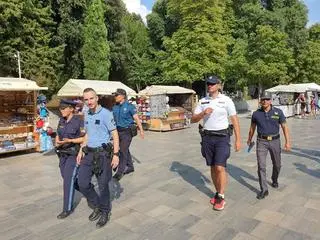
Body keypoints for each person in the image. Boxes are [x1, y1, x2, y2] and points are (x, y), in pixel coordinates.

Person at [191, 75, 241, 211]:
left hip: (222, 138)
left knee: (220, 167)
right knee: (212, 167)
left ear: (219, 85)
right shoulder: (202, 101)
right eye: (208, 84)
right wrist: (203, 114)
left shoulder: (226, 100)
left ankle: (221, 196)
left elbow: (235, 120)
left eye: (213, 84)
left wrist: (238, 140)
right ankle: (217, 192)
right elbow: (193, 119)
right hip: (207, 138)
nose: (210, 86)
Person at [77, 88, 120, 228]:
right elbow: (87, 134)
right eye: (86, 99)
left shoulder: (106, 114)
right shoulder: (86, 113)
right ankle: (97, 205)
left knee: (103, 186)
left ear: (97, 98)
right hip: (88, 153)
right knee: (82, 183)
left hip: (103, 155)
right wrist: (80, 151)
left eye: (91, 98)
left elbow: (115, 134)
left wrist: (116, 155)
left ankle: (105, 211)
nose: (89, 102)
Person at [247, 92, 291, 200]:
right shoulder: (256, 114)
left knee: (277, 164)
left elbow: (284, 127)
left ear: (270, 101)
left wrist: (287, 142)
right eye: (263, 99)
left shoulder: (278, 112)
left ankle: (274, 179)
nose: (265, 101)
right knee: (261, 166)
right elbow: (252, 127)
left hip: (275, 141)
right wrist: (249, 139)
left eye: (267, 99)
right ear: (260, 101)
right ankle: (264, 189)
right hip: (261, 141)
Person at [55, 99, 85, 219]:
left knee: (67, 180)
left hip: (73, 154)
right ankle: (87, 188)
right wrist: (57, 140)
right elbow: (58, 133)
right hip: (62, 154)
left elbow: (84, 139)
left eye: (63, 108)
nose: (61, 110)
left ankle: (67, 208)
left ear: (71, 109)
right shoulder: (61, 120)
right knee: (66, 176)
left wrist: (71, 140)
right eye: (60, 108)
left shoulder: (79, 122)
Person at [112, 88, 144, 181]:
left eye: (116, 95)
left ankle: (120, 172)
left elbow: (136, 119)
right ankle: (130, 167)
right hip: (118, 131)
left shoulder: (130, 106)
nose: (115, 97)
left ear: (122, 96)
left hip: (127, 131)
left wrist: (141, 130)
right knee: (124, 149)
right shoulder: (115, 107)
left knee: (122, 150)